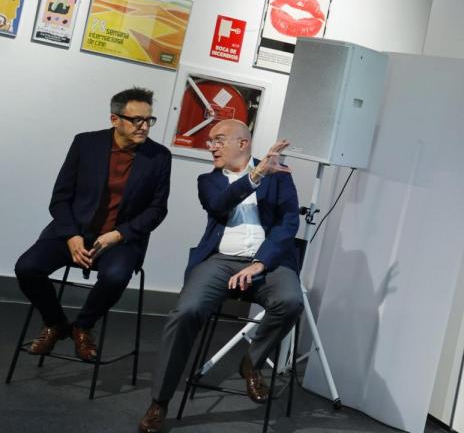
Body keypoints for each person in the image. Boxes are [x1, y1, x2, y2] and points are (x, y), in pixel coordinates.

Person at [139, 120, 303, 433]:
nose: (211, 146)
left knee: (291, 301)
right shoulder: (209, 181)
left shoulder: (279, 176)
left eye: (219, 139)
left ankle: (251, 362)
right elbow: (218, 205)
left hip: (267, 262)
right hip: (220, 261)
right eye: (210, 140)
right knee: (185, 312)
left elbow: (288, 223)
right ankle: (159, 401)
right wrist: (255, 176)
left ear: (242, 144)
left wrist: (260, 263)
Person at [15, 87, 171, 362]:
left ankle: (83, 326)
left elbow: (157, 210)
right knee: (27, 267)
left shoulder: (159, 156)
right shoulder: (85, 144)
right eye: (137, 120)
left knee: (116, 276)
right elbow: (61, 198)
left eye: (149, 120)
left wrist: (119, 234)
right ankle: (56, 323)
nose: (144, 127)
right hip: (72, 232)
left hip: (118, 240)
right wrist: (72, 235)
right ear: (114, 119)